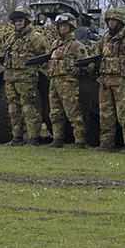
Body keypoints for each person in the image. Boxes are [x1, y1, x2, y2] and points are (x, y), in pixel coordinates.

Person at [92, 6, 125, 152]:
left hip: (123, 82)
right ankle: (106, 143)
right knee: (105, 114)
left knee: (124, 113)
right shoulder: (105, 38)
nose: (110, 23)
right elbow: (97, 54)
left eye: (113, 21)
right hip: (105, 81)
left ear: (120, 22)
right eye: (109, 21)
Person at [1, 7, 50, 146]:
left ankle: (33, 137)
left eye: (20, 20)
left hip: (26, 78)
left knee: (28, 108)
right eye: (16, 21)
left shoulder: (35, 37)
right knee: (13, 109)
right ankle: (17, 137)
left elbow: (45, 57)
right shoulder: (12, 38)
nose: (18, 23)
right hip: (10, 77)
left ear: (27, 21)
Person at [46, 13, 88, 148]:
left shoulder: (77, 45)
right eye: (60, 26)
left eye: (65, 25)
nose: (62, 28)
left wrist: (74, 68)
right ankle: (57, 138)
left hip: (68, 82)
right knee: (55, 113)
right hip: (54, 81)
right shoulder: (55, 44)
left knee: (73, 112)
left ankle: (80, 140)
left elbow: (86, 64)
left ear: (71, 27)